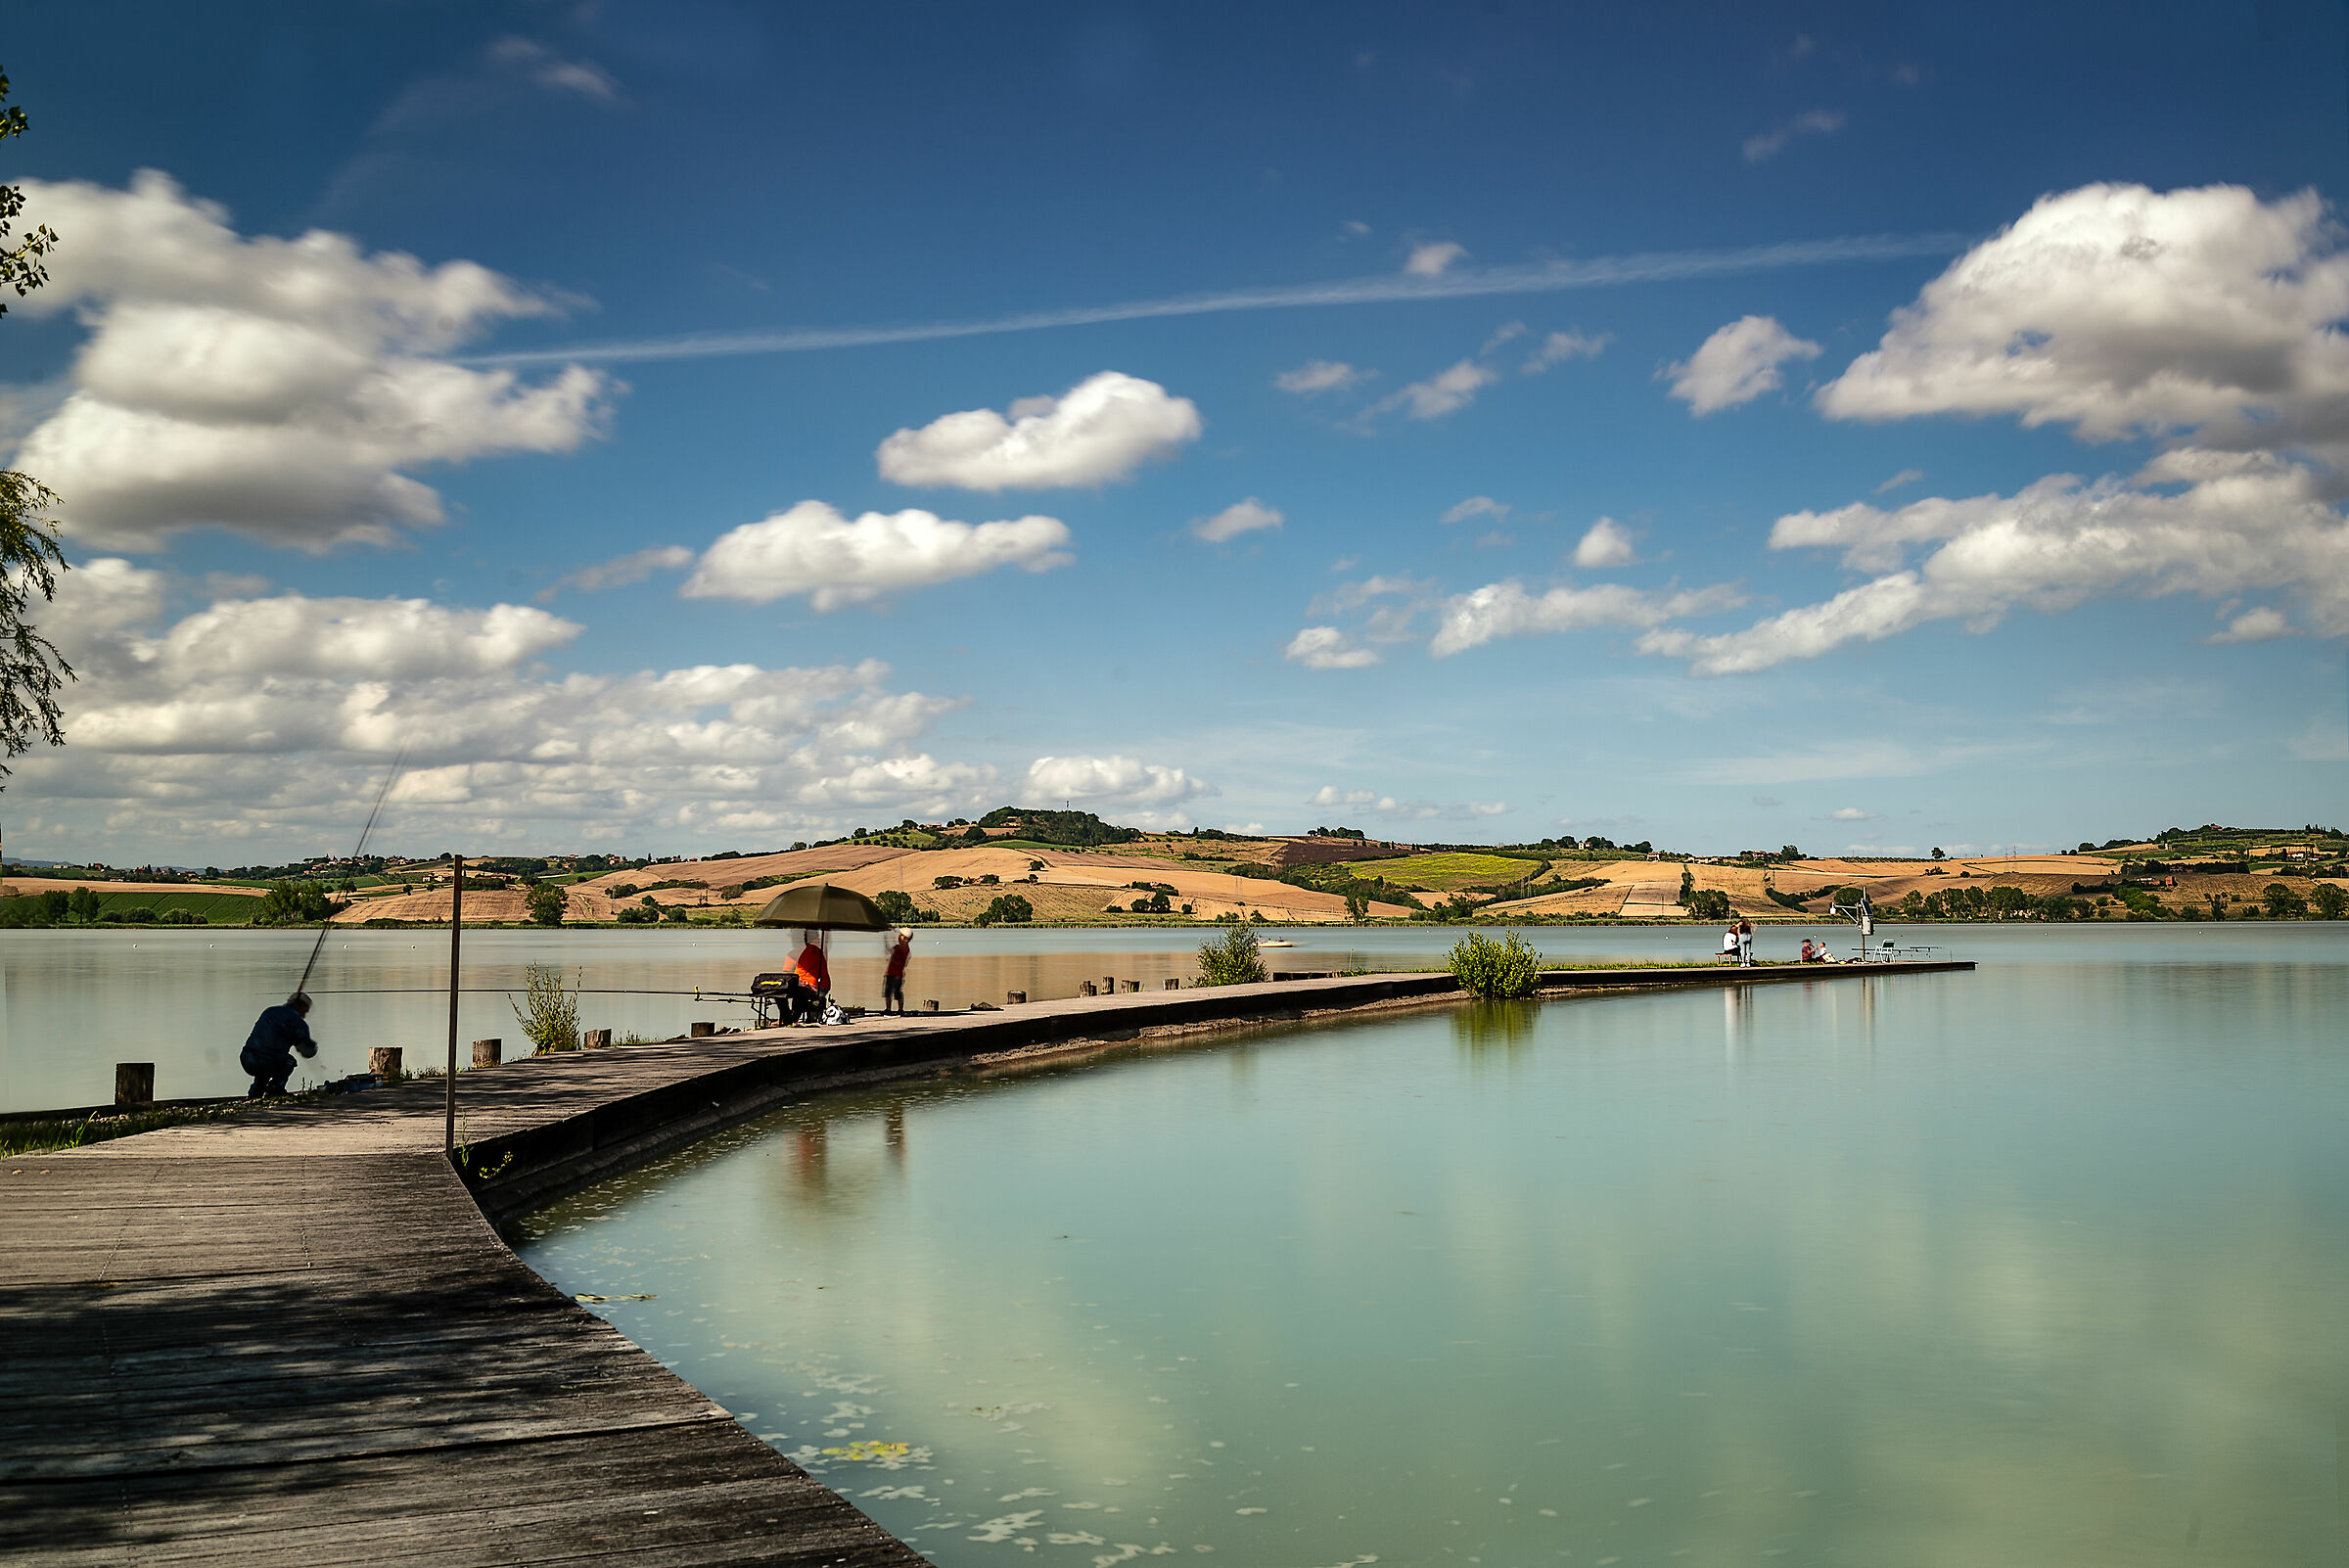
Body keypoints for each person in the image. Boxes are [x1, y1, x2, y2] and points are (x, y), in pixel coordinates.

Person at [241, 992, 318, 1097]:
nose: (304, 1015)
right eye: (305, 1011)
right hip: (264, 1061)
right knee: (288, 1062)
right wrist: (313, 1047)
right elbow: (306, 1052)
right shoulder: (298, 1022)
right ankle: (275, 1089)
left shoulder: (270, 1011)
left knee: (268, 1062)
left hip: (247, 1058)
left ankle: (254, 1094)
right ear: (301, 1006)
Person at [882, 927, 912, 1015]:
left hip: (898, 974)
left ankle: (900, 1009)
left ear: (906, 939)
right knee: (888, 992)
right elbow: (889, 950)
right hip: (890, 973)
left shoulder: (905, 949)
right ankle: (888, 1009)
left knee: (897, 993)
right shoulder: (898, 947)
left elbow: (903, 963)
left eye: (901, 936)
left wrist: (893, 961)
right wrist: (887, 938)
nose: (898, 937)